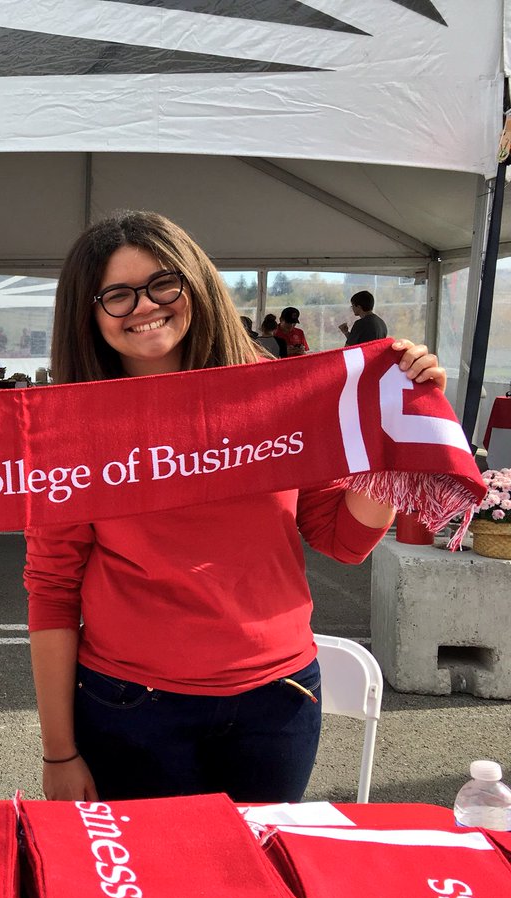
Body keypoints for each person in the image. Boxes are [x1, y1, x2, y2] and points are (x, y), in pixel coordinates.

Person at [24, 210, 445, 804]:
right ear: (88, 314)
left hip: (278, 703)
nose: (144, 306)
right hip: (129, 708)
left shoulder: (279, 397)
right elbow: (52, 588)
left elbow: (343, 540)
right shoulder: (71, 430)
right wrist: (59, 752)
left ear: (196, 284)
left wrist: (393, 431)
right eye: (116, 295)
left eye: (162, 284)